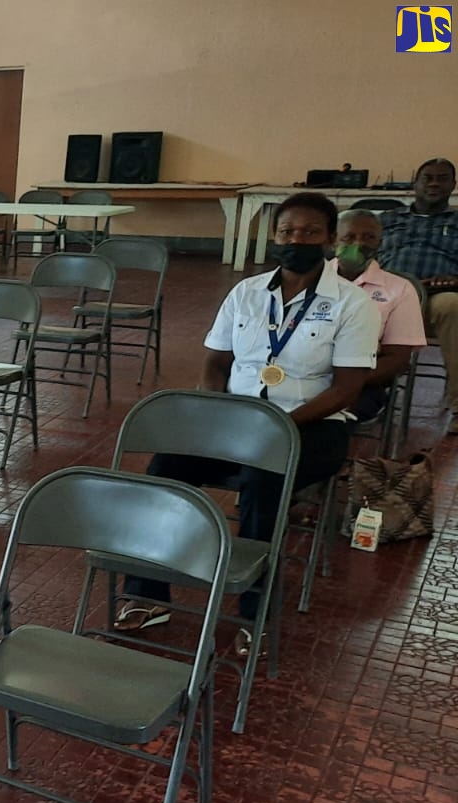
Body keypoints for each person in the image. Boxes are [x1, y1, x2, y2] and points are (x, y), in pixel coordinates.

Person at [114, 193, 377, 656]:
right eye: (286, 232)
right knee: (165, 469)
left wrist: (278, 426)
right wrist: (218, 415)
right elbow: (216, 364)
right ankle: (148, 594)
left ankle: (255, 611)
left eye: (309, 232)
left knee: (263, 478)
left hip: (311, 425)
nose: (296, 240)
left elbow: (347, 388)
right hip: (236, 421)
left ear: (330, 240)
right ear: (273, 236)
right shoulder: (246, 292)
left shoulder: (352, 304)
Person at [378, 157, 458, 433]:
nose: (434, 183)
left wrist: (452, 281)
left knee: (453, 305)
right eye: (428, 178)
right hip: (384, 298)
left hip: (435, 300)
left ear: (453, 186)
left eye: (442, 178)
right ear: (415, 184)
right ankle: (361, 396)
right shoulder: (388, 220)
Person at [330, 209, 425, 421]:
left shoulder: (399, 289)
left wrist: (346, 383)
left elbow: (398, 358)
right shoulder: (311, 279)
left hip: (363, 382)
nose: (358, 244)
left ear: (380, 243)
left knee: (328, 424)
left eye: (368, 238)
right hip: (299, 375)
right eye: (349, 237)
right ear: (333, 240)